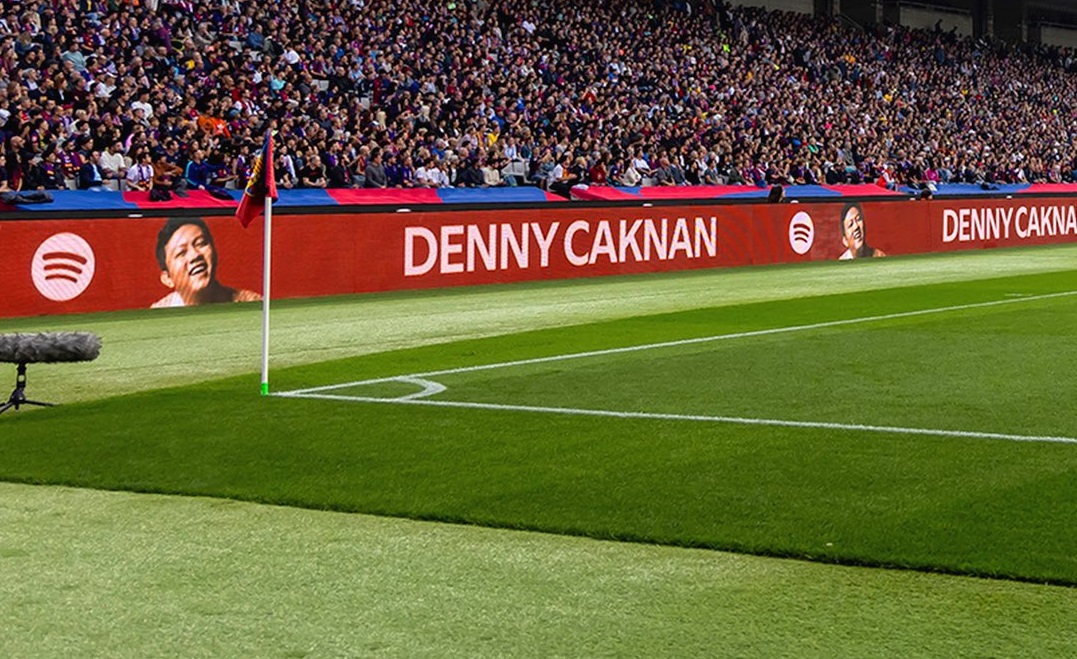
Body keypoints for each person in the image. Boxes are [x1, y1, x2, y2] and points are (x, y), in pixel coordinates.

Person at [151, 218, 260, 308]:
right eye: (181, 253)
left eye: (201, 243)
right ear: (168, 279)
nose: (195, 255)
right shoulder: (158, 313)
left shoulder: (253, 304)